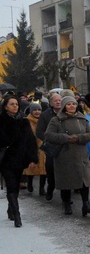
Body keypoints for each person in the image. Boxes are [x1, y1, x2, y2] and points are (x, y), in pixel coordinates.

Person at [44, 95, 90, 216]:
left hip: (81, 154)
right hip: (64, 155)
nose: (72, 106)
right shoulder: (56, 120)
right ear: (64, 106)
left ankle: (86, 204)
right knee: (66, 181)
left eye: (73, 104)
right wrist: (66, 138)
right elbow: (49, 135)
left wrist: (78, 138)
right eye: (69, 104)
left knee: (84, 180)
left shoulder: (82, 118)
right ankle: (66, 204)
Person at [0, 95, 38, 227]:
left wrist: (34, 158)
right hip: (5, 159)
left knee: (15, 185)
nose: (15, 106)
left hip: (20, 159)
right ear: (5, 106)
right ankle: (17, 216)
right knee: (11, 184)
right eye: (12, 104)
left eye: (16, 104)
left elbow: (31, 141)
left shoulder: (24, 121)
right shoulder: (1, 120)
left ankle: (11, 209)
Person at [36, 92, 63, 201]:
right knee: (51, 169)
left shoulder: (66, 113)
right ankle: (50, 187)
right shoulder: (45, 115)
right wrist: (50, 140)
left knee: (64, 170)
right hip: (51, 147)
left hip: (65, 146)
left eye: (59, 100)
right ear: (51, 103)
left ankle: (65, 195)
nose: (58, 102)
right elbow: (39, 131)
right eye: (55, 100)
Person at [23, 102, 47, 196]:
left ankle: (42, 188)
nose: (37, 112)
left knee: (43, 169)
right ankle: (29, 183)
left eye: (39, 110)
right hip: (31, 148)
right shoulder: (26, 121)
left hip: (42, 148)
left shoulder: (43, 120)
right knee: (31, 167)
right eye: (35, 110)